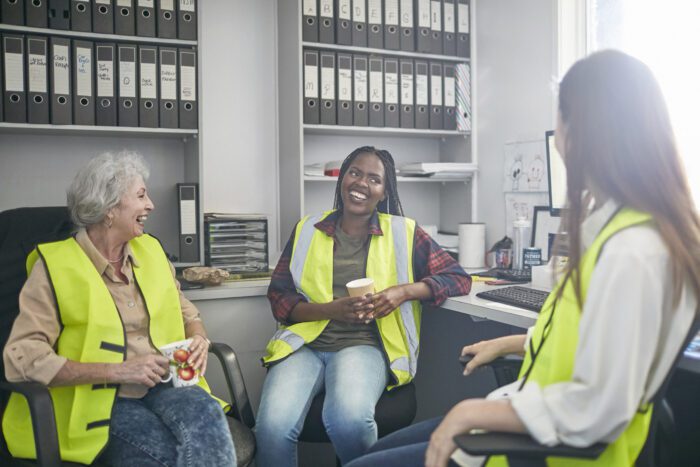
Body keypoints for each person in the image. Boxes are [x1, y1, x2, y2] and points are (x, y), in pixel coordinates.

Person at [346, 50, 700, 467]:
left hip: (545, 451)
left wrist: (470, 411)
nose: (561, 140)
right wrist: (514, 341)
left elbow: (600, 407)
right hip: (528, 421)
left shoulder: (634, 250)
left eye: (561, 122)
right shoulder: (621, 231)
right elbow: (598, 341)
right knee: (376, 453)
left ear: (586, 131)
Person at [2, 151, 236, 466]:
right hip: (102, 397)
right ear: (109, 208)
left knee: (211, 432)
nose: (150, 205)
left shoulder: (151, 250)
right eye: (141, 196)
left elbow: (187, 313)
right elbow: (23, 358)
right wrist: (118, 370)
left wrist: (199, 339)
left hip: (169, 383)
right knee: (160, 454)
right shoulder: (54, 267)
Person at [255, 146, 472, 466]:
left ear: (385, 191)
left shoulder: (404, 232)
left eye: (374, 179)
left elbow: (457, 278)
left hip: (364, 344)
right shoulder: (307, 229)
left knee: (349, 421)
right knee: (271, 428)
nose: (361, 183)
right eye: (355, 173)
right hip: (306, 344)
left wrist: (403, 292)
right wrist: (330, 310)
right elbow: (280, 298)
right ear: (342, 177)